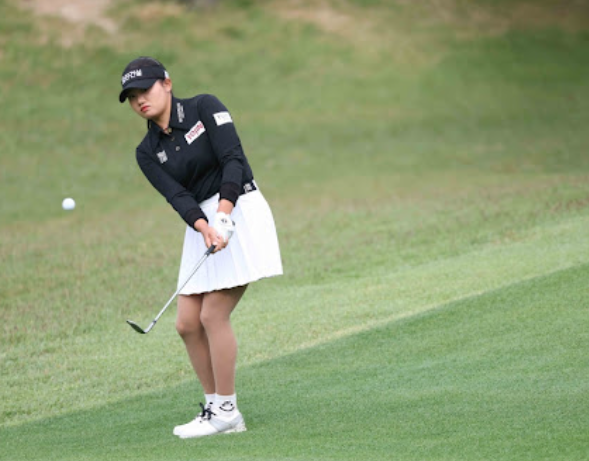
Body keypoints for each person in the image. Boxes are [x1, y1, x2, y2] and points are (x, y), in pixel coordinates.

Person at [118, 56, 283, 438]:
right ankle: (214, 409)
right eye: (132, 96)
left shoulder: (203, 107)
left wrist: (223, 215)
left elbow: (233, 159)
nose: (140, 100)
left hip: (239, 208)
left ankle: (227, 412)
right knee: (186, 323)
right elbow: (177, 196)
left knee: (212, 315)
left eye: (145, 89)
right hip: (202, 226)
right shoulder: (147, 151)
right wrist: (204, 226)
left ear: (167, 83)